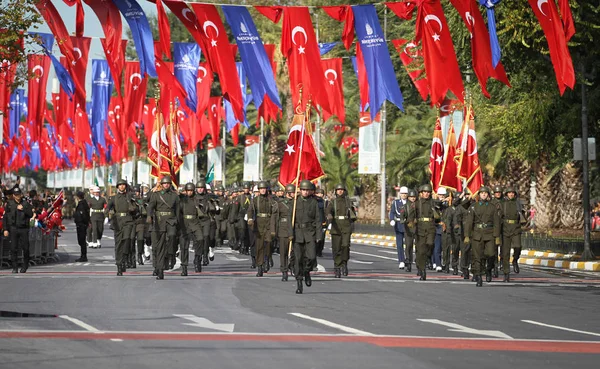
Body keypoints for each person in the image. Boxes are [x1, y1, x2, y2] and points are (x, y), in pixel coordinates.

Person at [464, 186, 501, 287]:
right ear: (479, 195)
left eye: (485, 193)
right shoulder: (473, 207)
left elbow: (497, 222)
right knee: (477, 257)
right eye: (482, 193)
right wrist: (467, 235)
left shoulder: (492, 207)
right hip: (477, 234)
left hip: (489, 234)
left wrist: (497, 236)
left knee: (491, 254)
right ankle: (479, 276)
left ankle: (488, 269)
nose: (484, 195)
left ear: (488, 195)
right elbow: (469, 222)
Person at [290, 180, 321, 294]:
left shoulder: (314, 202)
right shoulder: (294, 203)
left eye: (307, 190)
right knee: (298, 260)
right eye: (303, 190)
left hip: (309, 233)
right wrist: (290, 233)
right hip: (297, 234)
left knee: (311, 257)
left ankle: (307, 271)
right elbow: (290, 220)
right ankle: (299, 283)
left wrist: (318, 235)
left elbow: (318, 219)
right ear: (300, 190)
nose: (305, 192)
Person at [147, 176, 180, 280]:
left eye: (168, 183)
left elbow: (178, 210)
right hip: (159, 222)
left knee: (172, 236)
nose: (166, 185)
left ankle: (171, 253)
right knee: (159, 247)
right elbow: (150, 206)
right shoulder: (156, 195)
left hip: (171, 221)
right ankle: (160, 270)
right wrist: (149, 216)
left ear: (170, 185)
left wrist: (178, 222)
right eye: (164, 183)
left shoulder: (175, 196)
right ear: (162, 184)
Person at [105, 179, 138, 276]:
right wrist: (106, 214)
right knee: (119, 244)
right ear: (117, 187)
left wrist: (133, 204)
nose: (122, 187)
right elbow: (108, 208)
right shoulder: (113, 198)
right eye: (120, 185)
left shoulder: (130, 196)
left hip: (128, 221)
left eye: (123, 185)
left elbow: (138, 206)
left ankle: (125, 257)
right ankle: (119, 265)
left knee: (127, 240)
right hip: (118, 222)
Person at [407, 184, 440, 280]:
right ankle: (422, 270)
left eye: (428, 192)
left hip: (430, 227)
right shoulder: (416, 204)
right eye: (424, 192)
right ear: (421, 193)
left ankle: (428, 257)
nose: (426, 194)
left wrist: (437, 213)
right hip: (420, 228)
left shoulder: (433, 203)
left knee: (430, 244)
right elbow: (411, 215)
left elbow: (438, 216)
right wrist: (411, 223)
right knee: (420, 251)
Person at [326, 183, 357, 278]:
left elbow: (353, 214)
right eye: (338, 190)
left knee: (345, 246)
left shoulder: (348, 202)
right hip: (336, 226)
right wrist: (329, 216)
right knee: (336, 248)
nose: (340, 191)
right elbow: (328, 211)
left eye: (342, 190)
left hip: (346, 226)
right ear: (336, 191)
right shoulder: (332, 202)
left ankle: (344, 264)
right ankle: (337, 267)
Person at [247, 181, 277, 277]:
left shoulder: (271, 200)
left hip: (268, 223)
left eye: (264, 188)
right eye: (261, 189)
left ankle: (267, 258)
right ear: (259, 190)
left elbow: (274, 213)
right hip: (259, 224)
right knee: (259, 246)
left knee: (268, 244)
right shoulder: (255, 200)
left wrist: (273, 228)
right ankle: (260, 266)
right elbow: (250, 210)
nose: (263, 190)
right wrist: (250, 218)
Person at [2, 187, 34, 273]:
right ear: (13, 195)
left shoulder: (25, 204)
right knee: (13, 248)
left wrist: (23, 209)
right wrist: (5, 229)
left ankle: (25, 266)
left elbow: (31, 214)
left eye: (19, 194)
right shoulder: (9, 204)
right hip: (13, 228)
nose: (17, 196)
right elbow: (5, 217)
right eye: (16, 195)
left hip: (23, 228)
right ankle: (14, 267)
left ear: (21, 194)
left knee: (26, 248)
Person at [501, 186, 525, 281]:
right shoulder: (503, 204)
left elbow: (523, 215)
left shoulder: (518, 203)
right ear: (506, 194)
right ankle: (506, 273)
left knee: (518, 246)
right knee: (505, 253)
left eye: (512, 193)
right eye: (509, 193)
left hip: (516, 228)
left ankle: (515, 260)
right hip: (505, 229)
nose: (511, 194)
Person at [179, 183, 204, 275]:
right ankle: (184, 267)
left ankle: (197, 259)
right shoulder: (182, 200)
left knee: (200, 239)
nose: (189, 192)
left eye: (191, 191)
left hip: (195, 222)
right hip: (185, 223)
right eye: (188, 190)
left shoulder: (197, 199)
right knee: (184, 247)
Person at [275, 184, 295, 281]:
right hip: (283, 230)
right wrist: (274, 231)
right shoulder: (280, 204)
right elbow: (276, 218)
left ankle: (293, 266)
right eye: (292, 192)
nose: (293, 194)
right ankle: (284, 270)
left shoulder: (296, 203)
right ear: (287, 193)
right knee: (283, 252)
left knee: (295, 252)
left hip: (295, 230)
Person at [389, 186, 409, 269]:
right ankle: (401, 260)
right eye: (402, 193)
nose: (404, 195)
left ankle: (408, 259)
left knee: (408, 244)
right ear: (400, 194)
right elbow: (392, 212)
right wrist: (391, 220)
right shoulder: (396, 203)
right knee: (399, 244)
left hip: (408, 225)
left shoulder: (410, 203)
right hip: (398, 224)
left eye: (405, 193)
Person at [74, 191, 90, 262]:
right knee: (81, 241)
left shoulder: (82, 204)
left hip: (81, 224)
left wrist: (84, 222)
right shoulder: (84, 203)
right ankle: (83, 255)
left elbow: (83, 215)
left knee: (82, 240)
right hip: (82, 224)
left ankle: (84, 256)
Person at [403, 189, 417, 273]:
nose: (413, 198)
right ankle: (408, 261)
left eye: (414, 197)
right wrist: (403, 220)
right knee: (408, 246)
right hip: (408, 228)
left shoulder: (418, 205)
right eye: (411, 197)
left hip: (417, 228)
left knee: (419, 246)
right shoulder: (405, 206)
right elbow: (402, 215)